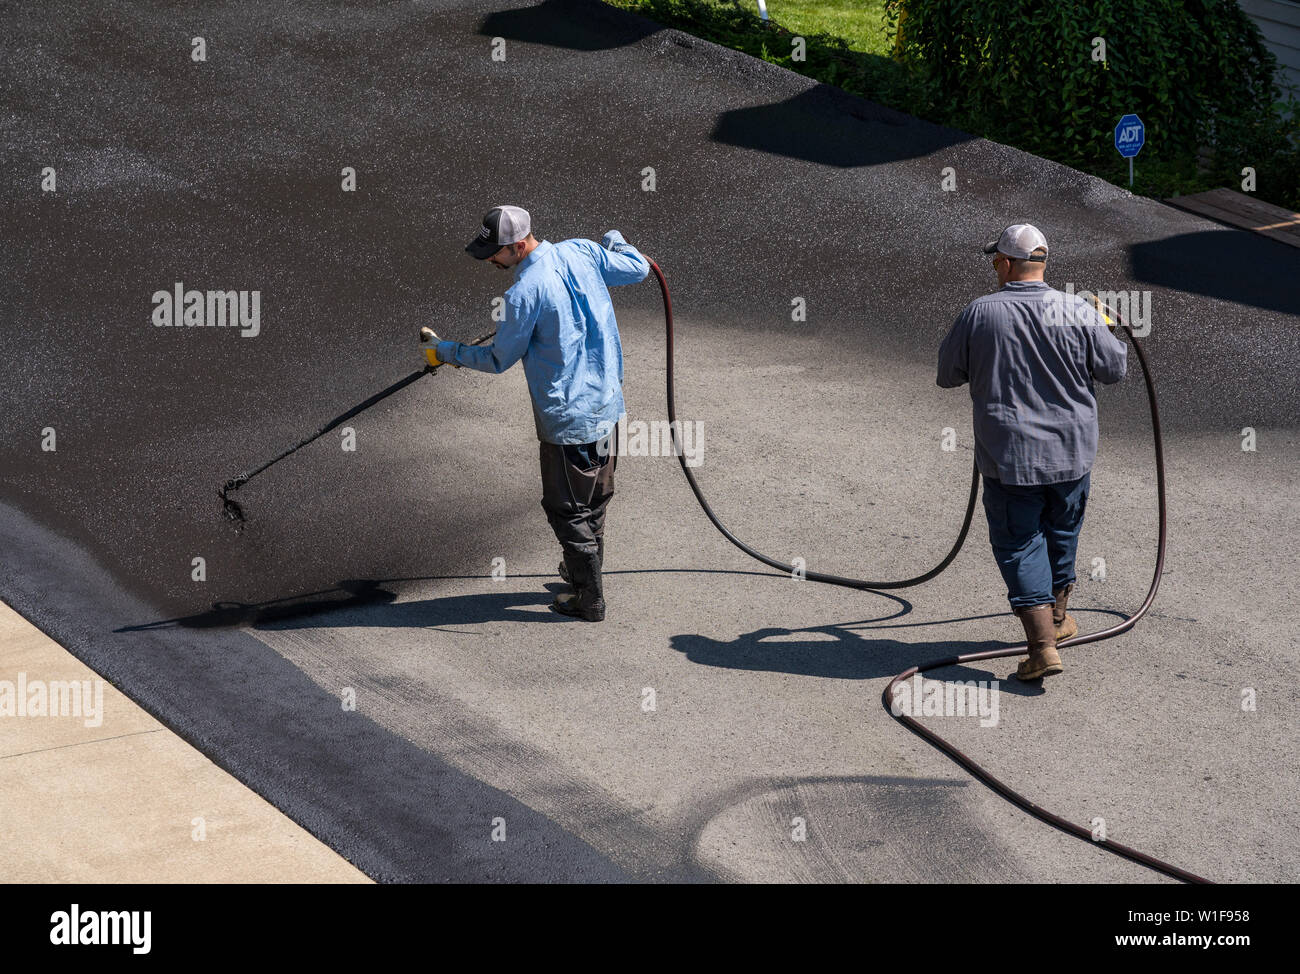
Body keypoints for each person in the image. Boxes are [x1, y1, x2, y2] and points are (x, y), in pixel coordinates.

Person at [427, 205, 649, 621]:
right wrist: (615, 238)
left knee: (566, 508)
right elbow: (638, 268)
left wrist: (445, 352)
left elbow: (497, 359)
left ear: (516, 246)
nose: (489, 259)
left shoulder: (523, 293)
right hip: (608, 405)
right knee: (596, 497)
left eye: (494, 252)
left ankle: (588, 596)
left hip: (568, 419)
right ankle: (583, 568)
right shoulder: (582, 251)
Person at [937, 224, 1128, 679]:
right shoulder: (1077, 310)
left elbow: (948, 374)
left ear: (1004, 263)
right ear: (1042, 263)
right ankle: (1058, 620)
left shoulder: (979, 313)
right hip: (1071, 454)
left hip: (1010, 457)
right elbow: (1114, 369)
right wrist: (1105, 326)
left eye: (994, 261)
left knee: (1020, 542)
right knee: (1061, 532)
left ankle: (1042, 647)